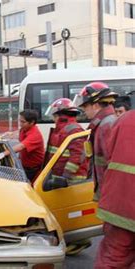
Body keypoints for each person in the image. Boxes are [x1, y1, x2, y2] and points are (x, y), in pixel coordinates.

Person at [94, 110, 135, 268]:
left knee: (114, 257)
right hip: (121, 203)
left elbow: (106, 157)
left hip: (120, 204)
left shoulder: (125, 119)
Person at [72, 82, 118, 200]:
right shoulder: (103, 124)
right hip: (108, 191)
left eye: (85, 107)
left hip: (110, 194)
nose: (84, 111)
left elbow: (113, 166)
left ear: (96, 105)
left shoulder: (106, 125)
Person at [0, 109, 45, 182]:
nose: (20, 124)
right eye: (19, 121)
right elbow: (18, 133)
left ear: (32, 122)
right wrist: (7, 135)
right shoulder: (25, 128)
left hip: (33, 168)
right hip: (23, 165)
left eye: (23, 122)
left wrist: (3, 154)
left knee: (23, 185)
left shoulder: (35, 135)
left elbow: (20, 146)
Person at [44, 98, 88, 182]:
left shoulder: (74, 130)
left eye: (55, 116)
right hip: (59, 178)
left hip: (72, 181)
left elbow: (77, 156)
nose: (54, 119)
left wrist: (65, 177)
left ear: (61, 116)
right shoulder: (61, 130)